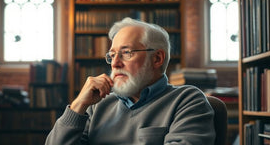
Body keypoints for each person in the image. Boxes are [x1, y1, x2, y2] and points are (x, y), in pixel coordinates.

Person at [45, 17, 215, 145]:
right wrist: (78, 106)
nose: (115, 63)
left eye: (126, 53)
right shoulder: (97, 105)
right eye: (112, 55)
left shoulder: (188, 100)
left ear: (157, 58)